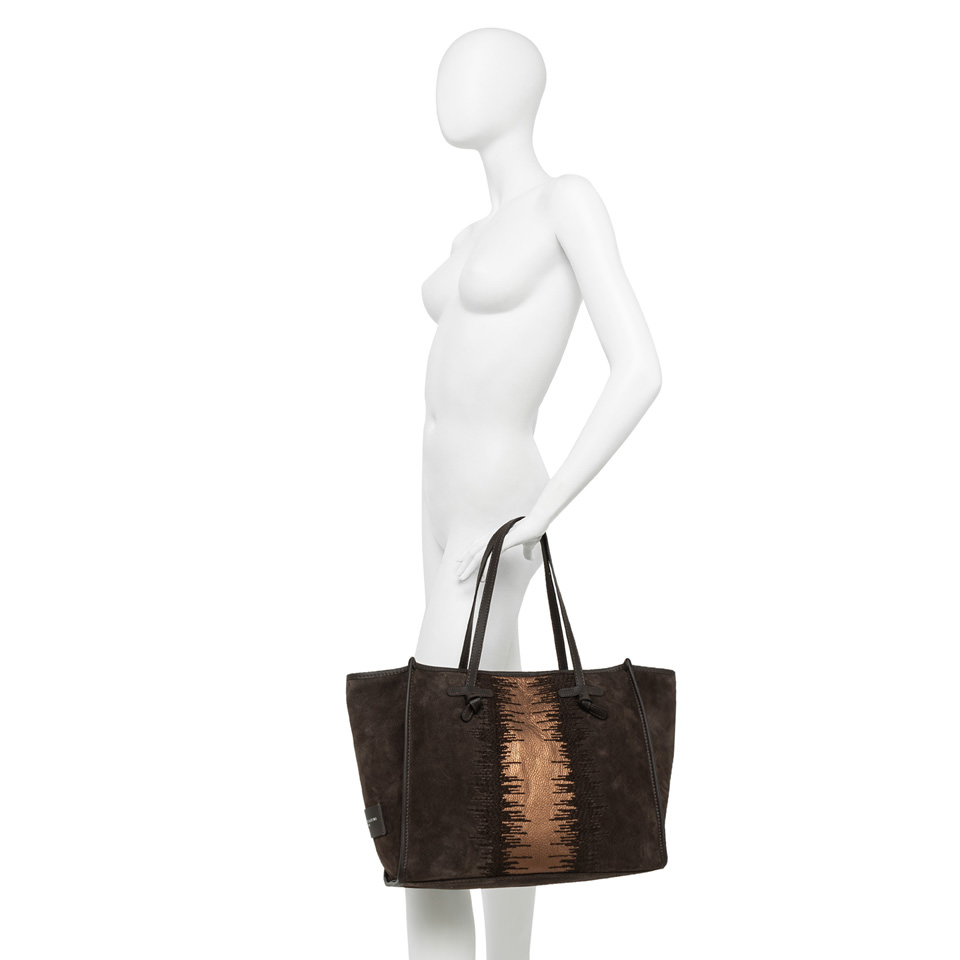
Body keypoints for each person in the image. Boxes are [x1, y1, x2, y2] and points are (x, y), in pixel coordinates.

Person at [410, 27, 662, 960]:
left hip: (499, 506)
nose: (451, 82)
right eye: (446, 65)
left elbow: (639, 368)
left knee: (432, 769)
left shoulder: (566, 201)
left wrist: (546, 509)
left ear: (524, 88)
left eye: (475, 65)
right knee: (508, 756)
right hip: (438, 498)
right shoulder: (469, 236)